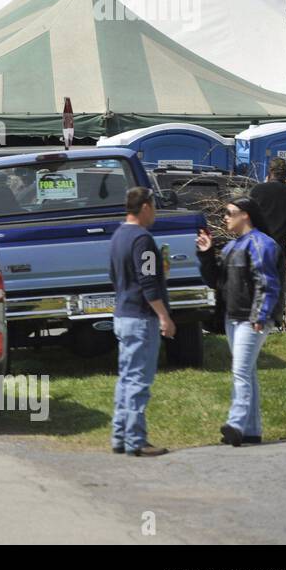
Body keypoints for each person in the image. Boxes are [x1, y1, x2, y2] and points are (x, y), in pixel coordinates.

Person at [196, 197, 282, 446]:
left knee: (241, 372)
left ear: (246, 215)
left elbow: (267, 283)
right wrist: (206, 254)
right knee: (248, 372)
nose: (225, 217)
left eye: (230, 212)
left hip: (251, 320)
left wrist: (260, 315)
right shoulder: (230, 247)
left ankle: (235, 424)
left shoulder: (262, 244)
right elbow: (216, 282)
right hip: (233, 318)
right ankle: (252, 430)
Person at [108, 187, 176, 457]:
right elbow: (148, 281)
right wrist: (164, 316)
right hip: (141, 318)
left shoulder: (117, 236)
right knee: (138, 381)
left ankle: (119, 435)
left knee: (125, 379)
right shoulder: (143, 240)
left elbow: (113, 275)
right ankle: (136, 439)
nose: (156, 213)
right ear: (145, 207)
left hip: (123, 314)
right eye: (154, 207)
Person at [247, 157, 286, 326]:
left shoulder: (257, 190)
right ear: (285, 174)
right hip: (278, 248)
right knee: (275, 287)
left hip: (256, 245)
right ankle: (274, 322)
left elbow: (249, 218)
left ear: (270, 172)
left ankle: (253, 318)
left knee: (255, 285)